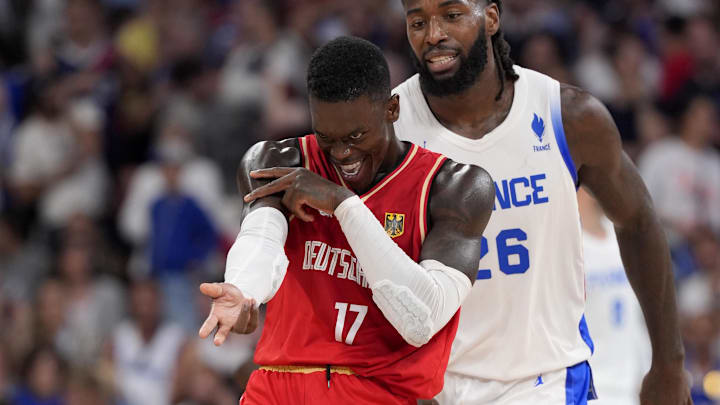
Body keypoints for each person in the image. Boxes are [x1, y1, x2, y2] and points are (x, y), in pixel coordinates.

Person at [393, 0, 691, 404]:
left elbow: (638, 221)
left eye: (452, 15)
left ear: (491, 18)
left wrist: (669, 363)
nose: (433, 34)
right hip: (431, 385)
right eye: (418, 21)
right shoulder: (388, 131)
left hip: (547, 381)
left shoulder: (567, 115)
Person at [198, 36, 495, 404]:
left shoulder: (455, 187)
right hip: (276, 389)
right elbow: (262, 238)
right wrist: (244, 291)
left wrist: (344, 204)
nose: (342, 154)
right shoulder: (280, 160)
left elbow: (422, 318)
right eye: (328, 137)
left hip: (377, 393)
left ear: (391, 109)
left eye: (356, 136)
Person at [578, 188, 651, 405]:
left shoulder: (623, 238)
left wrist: (648, 367)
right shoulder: (569, 245)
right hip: (589, 388)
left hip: (630, 386)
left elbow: (638, 317)